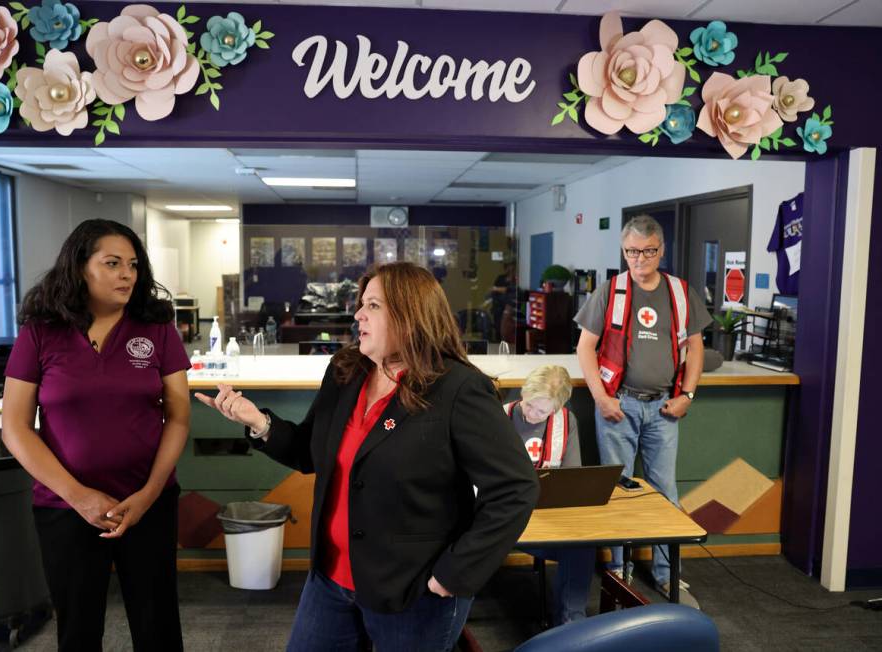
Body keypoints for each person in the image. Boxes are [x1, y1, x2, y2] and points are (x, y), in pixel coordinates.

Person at [196, 262, 539, 652]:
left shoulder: (459, 389)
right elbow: (311, 451)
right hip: (330, 579)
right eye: (361, 304)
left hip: (413, 590)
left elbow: (515, 488)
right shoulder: (346, 370)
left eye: (373, 306)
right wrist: (258, 421)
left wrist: (453, 575)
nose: (358, 314)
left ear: (412, 315)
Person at [1, 219, 191, 650]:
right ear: (79, 267)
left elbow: (178, 416)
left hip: (147, 503)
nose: (127, 274)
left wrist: (149, 494)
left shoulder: (156, 328)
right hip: (65, 507)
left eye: (133, 264)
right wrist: (78, 496)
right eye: (112, 263)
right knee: (79, 630)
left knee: (158, 626)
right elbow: (15, 427)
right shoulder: (40, 332)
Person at [575, 214, 710, 609]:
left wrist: (688, 394)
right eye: (631, 252)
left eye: (648, 252)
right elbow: (585, 347)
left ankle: (668, 575)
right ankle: (620, 572)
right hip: (619, 405)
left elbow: (697, 347)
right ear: (624, 250)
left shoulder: (680, 293)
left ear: (661, 250)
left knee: (665, 492)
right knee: (618, 490)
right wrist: (601, 398)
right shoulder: (610, 291)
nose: (639, 260)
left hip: (665, 409)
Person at [506, 365, 596, 623]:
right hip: (501, 516)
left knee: (581, 542)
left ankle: (571, 623)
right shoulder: (499, 416)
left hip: (546, 516)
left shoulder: (567, 422)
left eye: (542, 411)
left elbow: (572, 479)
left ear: (556, 408)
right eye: (530, 404)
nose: (532, 414)